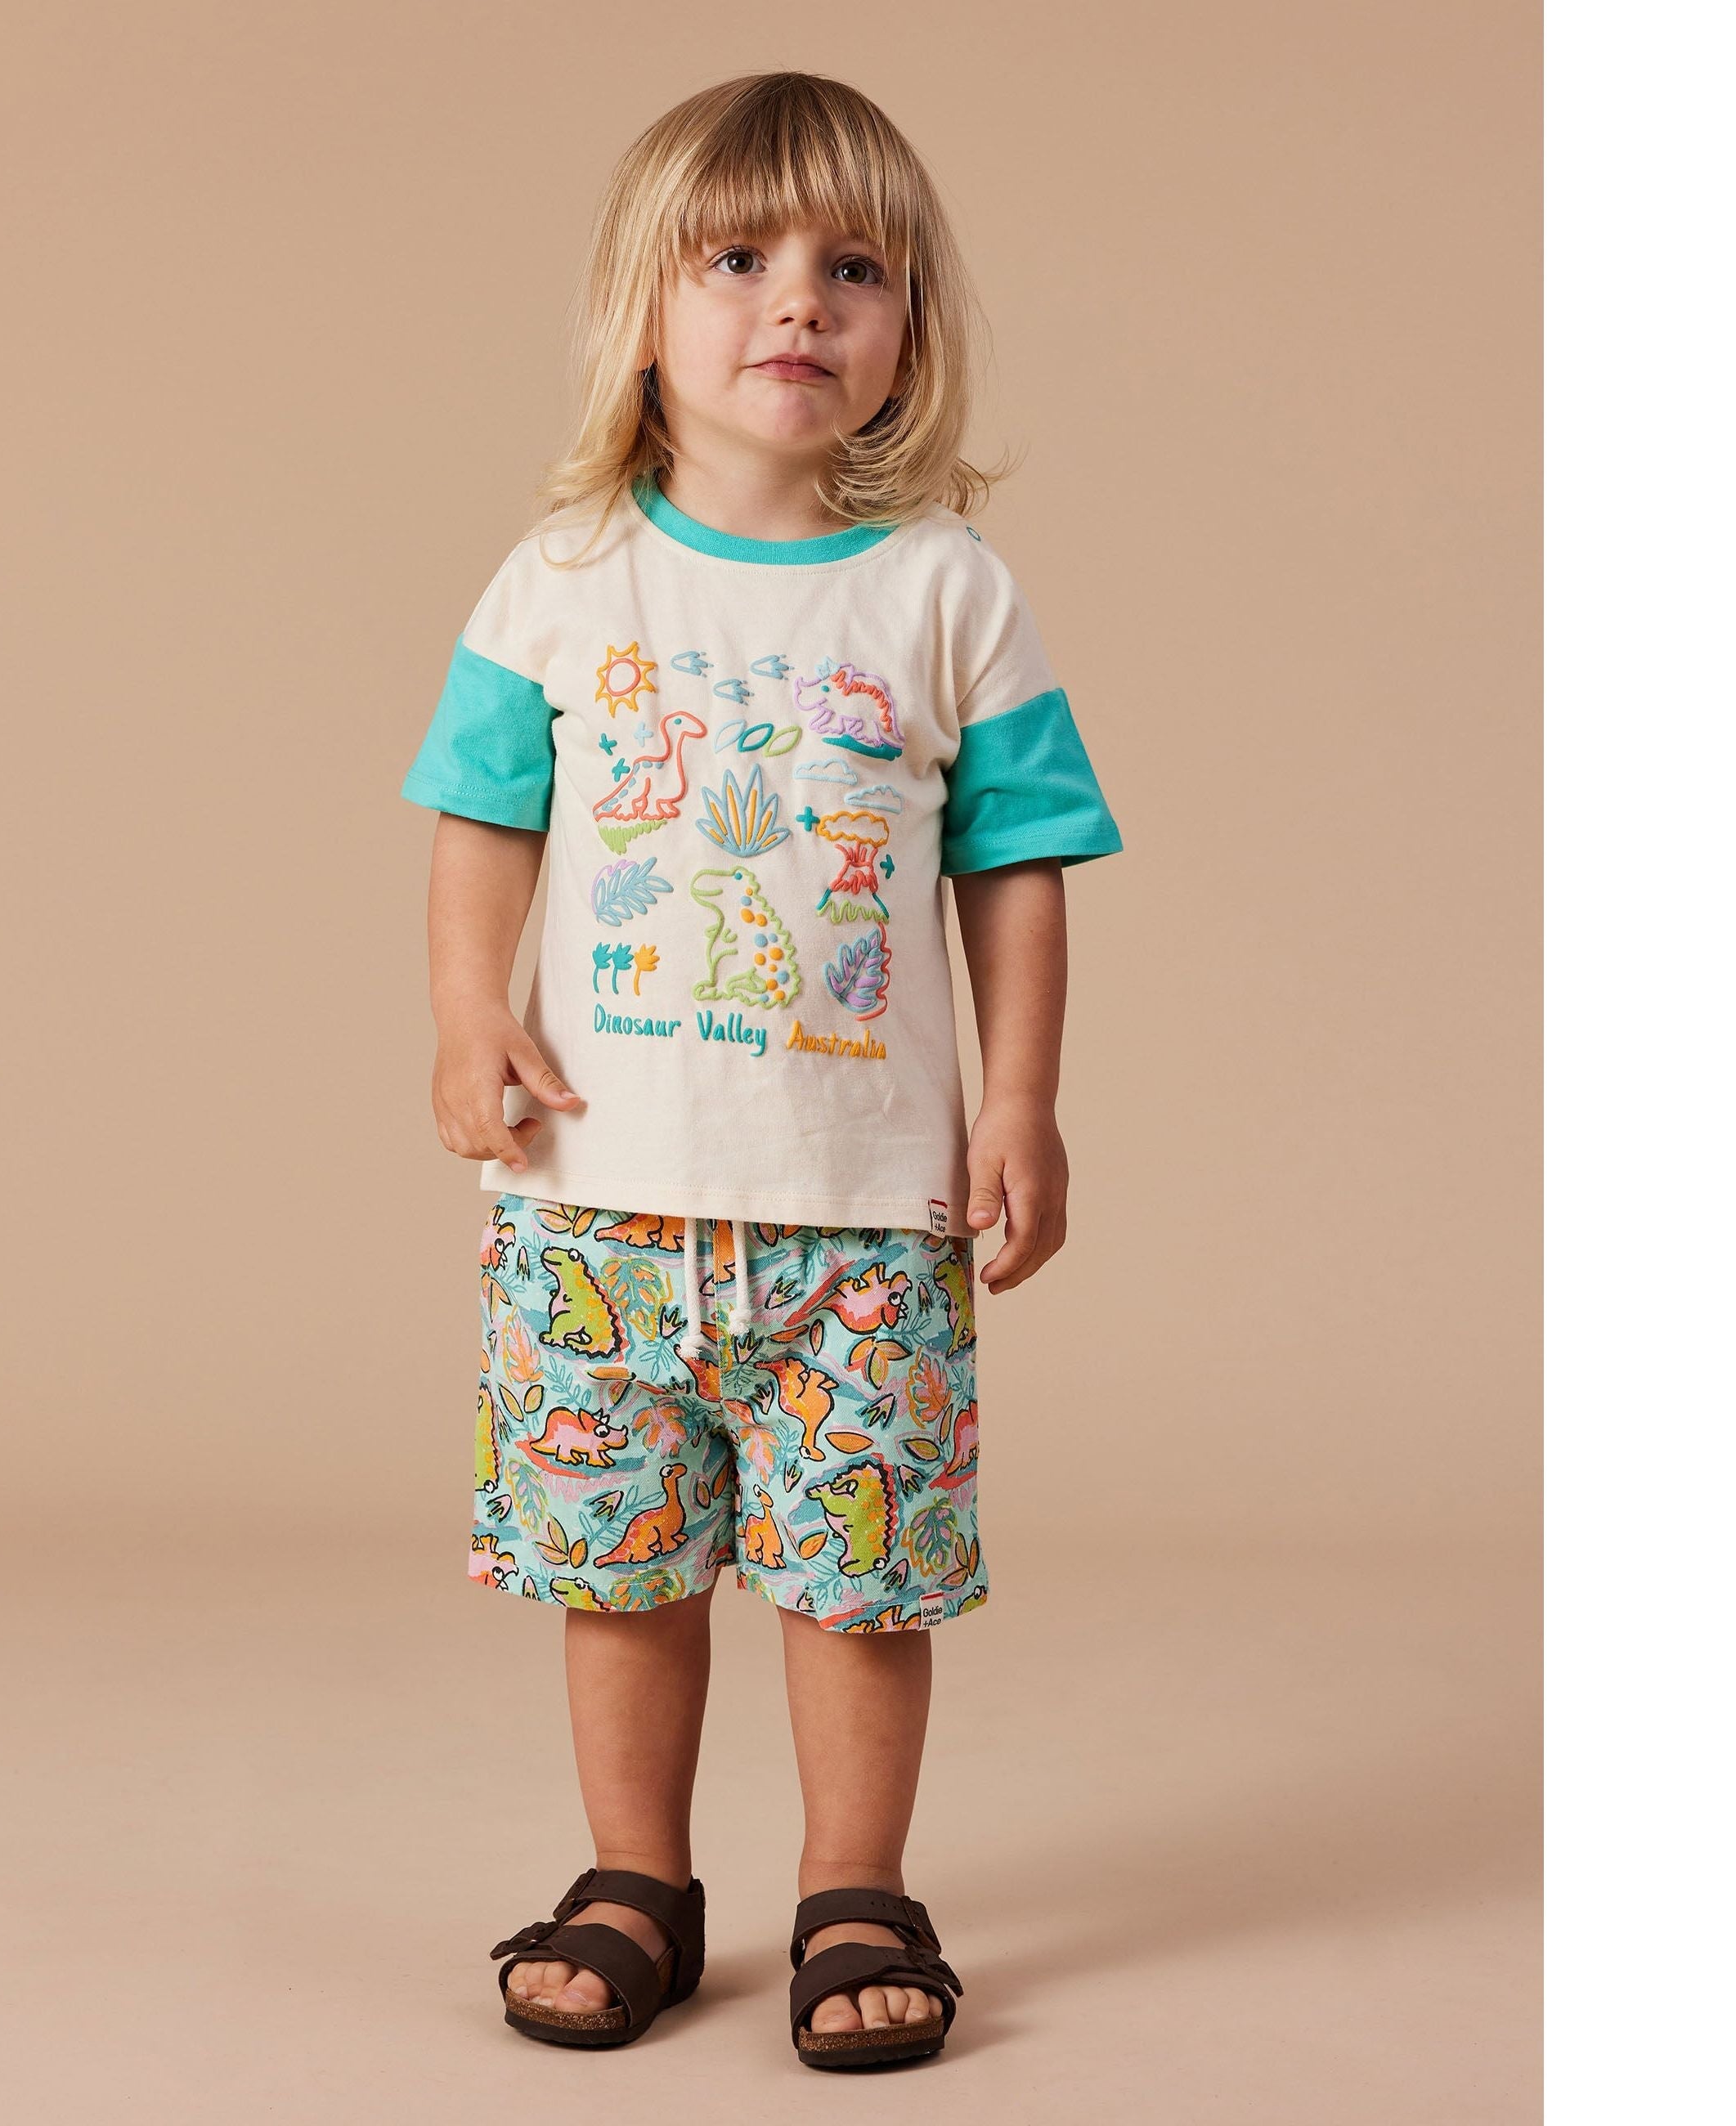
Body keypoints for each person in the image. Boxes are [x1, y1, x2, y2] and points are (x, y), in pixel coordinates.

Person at [401, 70, 1121, 2070]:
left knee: (856, 1576)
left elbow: (1017, 868)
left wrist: (1018, 1098)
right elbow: (480, 817)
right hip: (597, 1199)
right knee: (621, 1567)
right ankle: (634, 1875)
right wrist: (466, 1014)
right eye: (736, 260)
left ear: (906, 327)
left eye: (851, 267)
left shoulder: (946, 592)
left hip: (859, 1214)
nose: (797, 299)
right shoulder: (561, 576)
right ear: (646, 311)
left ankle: (854, 1885)